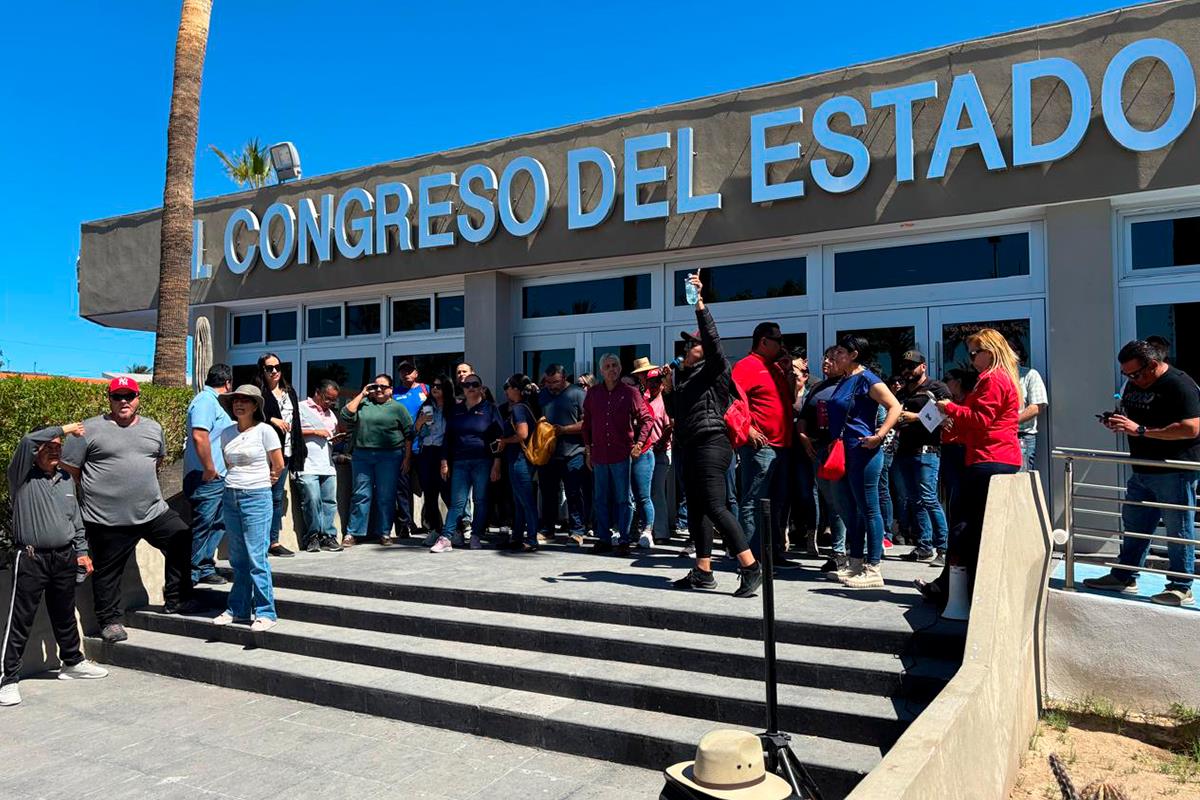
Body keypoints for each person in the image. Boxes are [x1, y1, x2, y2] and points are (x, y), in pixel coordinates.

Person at [61, 377, 198, 644]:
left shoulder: (152, 428)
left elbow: (156, 461)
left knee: (181, 537)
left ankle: (176, 598)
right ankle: (109, 621)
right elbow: (71, 470)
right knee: (108, 573)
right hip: (106, 518)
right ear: (109, 399)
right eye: (117, 396)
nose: (123, 401)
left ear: (137, 399)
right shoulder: (88, 430)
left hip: (152, 511)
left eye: (129, 396)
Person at [1083, 340, 1200, 607]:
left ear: (1154, 365)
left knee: (1177, 529)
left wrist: (1141, 430)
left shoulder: (1179, 385)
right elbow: (1134, 419)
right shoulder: (1134, 384)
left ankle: (1181, 586)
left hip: (1175, 469)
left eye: (1135, 374)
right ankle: (1124, 576)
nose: (1132, 379)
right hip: (1142, 468)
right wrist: (1117, 422)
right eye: (1127, 375)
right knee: (1135, 525)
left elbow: (1191, 428)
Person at [669, 271, 762, 598]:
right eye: (687, 342)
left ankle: (751, 567)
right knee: (696, 508)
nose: (688, 345)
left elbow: (712, 340)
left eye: (692, 342)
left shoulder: (715, 370)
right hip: (691, 446)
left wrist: (700, 305)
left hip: (712, 443)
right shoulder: (684, 378)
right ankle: (703, 571)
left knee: (715, 505)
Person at [2, 423, 109, 707]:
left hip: (64, 557)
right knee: (20, 619)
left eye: (58, 447)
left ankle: (72, 662)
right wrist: (64, 428)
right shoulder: (21, 476)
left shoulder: (64, 478)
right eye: (48, 446)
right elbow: (25, 438)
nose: (53, 451)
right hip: (31, 558)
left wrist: (82, 552)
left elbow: (75, 519)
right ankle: (7, 679)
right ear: (35, 451)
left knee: (64, 612)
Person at [918, 329, 1023, 604]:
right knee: (971, 526)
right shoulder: (1000, 378)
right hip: (992, 456)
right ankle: (956, 586)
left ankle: (959, 590)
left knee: (965, 526)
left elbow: (981, 420)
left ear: (991, 352)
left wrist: (949, 408)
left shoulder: (993, 379)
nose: (972, 358)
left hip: (989, 459)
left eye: (976, 352)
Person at [824, 336, 902, 589]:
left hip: (863, 450)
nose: (834, 355)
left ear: (854, 354)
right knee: (853, 509)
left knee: (869, 508)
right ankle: (856, 562)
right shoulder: (846, 379)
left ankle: (873, 567)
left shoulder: (868, 379)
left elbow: (894, 406)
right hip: (845, 451)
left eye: (840, 351)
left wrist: (879, 435)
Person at [213, 385, 284, 631]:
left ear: (255, 406)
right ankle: (238, 609)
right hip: (230, 495)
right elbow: (228, 463)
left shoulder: (265, 431)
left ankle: (266, 612)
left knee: (256, 557)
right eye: (235, 400)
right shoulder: (226, 433)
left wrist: (263, 482)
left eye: (245, 400)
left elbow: (278, 464)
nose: (239, 404)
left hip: (256, 496)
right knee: (238, 558)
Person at [732, 322, 800, 570]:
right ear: (763, 342)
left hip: (783, 445)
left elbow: (789, 400)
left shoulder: (775, 369)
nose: (782, 346)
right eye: (778, 341)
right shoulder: (746, 366)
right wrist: (746, 428)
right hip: (761, 446)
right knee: (753, 500)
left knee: (777, 502)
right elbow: (731, 400)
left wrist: (790, 376)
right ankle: (752, 558)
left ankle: (772, 553)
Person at [583, 354, 654, 556]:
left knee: (624, 499)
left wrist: (640, 443)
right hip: (599, 455)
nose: (611, 369)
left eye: (615, 365)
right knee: (601, 499)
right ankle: (604, 538)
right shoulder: (593, 394)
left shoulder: (630, 393)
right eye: (607, 366)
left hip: (622, 454)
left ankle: (624, 539)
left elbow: (647, 419)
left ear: (620, 368)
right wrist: (588, 450)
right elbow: (586, 424)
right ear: (601, 371)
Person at [892, 351, 952, 564]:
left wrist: (914, 417)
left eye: (912, 366)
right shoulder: (902, 392)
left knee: (928, 498)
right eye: (905, 366)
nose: (908, 370)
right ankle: (924, 545)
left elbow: (946, 415)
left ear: (923, 366)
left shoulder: (936, 388)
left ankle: (944, 548)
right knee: (914, 499)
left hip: (928, 449)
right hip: (905, 449)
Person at [340, 373, 413, 547]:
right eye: (375, 386)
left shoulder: (398, 408)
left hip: (390, 456)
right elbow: (346, 415)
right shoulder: (364, 404)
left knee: (385, 496)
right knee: (360, 494)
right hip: (362, 455)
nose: (379, 389)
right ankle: (353, 533)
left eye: (383, 387)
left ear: (391, 390)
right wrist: (362, 393)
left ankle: (384, 532)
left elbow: (409, 434)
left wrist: (407, 458)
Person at [432, 374, 503, 552]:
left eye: (474, 384)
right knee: (457, 502)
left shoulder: (490, 409)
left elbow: (499, 438)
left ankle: (476, 535)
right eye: (466, 385)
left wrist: (497, 463)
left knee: (480, 500)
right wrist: (444, 461)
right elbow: (448, 437)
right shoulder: (456, 410)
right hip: (460, 462)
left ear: (481, 387)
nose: (470, 387)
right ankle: (446, 537)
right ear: (462, 389)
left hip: (483, 461)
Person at [798, 347, 849, 573]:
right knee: (830, 500)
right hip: (817, 449)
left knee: (840, 501)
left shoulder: (851, 384)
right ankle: (839, 551)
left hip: (839, 449)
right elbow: (803, 417)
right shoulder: (818, 387)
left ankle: (841, 552)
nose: (827, 362)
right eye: (825, 358)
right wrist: (803, 437)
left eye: (832, 358)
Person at [184, 364, 232, 585]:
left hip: (217, 478)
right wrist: (210, 468)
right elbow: (199, 436)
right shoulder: (205, 401)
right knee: (203, 526)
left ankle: (204, 567)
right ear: (228, 383)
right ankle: (190, 577)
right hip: (206, 478)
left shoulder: (212, 402)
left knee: (217, 524)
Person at [256, 353, 302, 558]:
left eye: (277, 367)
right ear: (262, 371)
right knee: (263, 497)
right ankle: (261, 541)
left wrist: (299, 453)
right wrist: (272, 420)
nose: (274, 371)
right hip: (265, 452)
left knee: (275, 498)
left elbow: (297, 423)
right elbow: (248, 417)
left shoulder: (289, 392)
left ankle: (273, 541)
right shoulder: (259, 393)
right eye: (269, 368)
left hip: (287, 452)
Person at [538, 364, 590, 545]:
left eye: (555, 382)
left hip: (573, 452)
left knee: (574, 493)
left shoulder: (577, 394)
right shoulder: (542, 395)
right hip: (548, 453)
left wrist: (564, 430)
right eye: (548, 382)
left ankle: (577, 530)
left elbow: (587, 423)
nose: (551, 386)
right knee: (548, 493)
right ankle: (547, 529)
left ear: (564, 378)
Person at [295, 379, 345, 553]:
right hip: (307, 465)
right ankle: (312, 536)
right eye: (327, 398)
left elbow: (331, 435)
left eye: (333, 400)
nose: (330, 402)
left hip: (327, 465)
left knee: (329, 503)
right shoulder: (301, 408)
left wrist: (337, 438)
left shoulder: (331, 414)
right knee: (312, 500)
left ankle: (328, 537)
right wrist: (314, 431)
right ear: (317, 392)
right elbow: (290, 431)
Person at [499, 374, 542, 551]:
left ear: (516, 389)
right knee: (519, 501)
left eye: (508, 387)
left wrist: (505, 441)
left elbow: (523, 434)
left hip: (520, 460)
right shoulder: (528, 407)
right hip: (521, 460)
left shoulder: (518, 409)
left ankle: (531, 539)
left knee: (526, 501)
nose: (506, 391)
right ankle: (517, 536)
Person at [637, 364, 673, 545]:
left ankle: (662, 532)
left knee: (657, 492)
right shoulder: (645, 400)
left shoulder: (665, 401)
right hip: (646, 451)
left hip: (660, 451)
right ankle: (648, 529)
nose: (653, 385)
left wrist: (660, 443)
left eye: (657, 382)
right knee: (646, 493)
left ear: (662, 383)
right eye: (650, 382)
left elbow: (670, 425)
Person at [391, 361, 428, 539]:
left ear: (416, 373)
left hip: (423, 447)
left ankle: (429, 523)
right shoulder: (394, 393)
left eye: (409, 371)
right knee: (402, 488)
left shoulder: (425, 389)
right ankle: (405, 525)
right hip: (401, 447)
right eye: (402, 371)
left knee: (428, 485)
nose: (406, 374)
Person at [939, 368, 977, 537]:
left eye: (947, 380)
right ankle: (952, 535)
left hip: (965, 448)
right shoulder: (946, 401)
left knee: (966, 492)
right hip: (948, 448)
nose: (946, 384)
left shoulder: (970, 399)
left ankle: (965, 533)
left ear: (958, 381)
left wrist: (953, 412)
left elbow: (974, 420)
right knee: (952, 493)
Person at [415, 375, 453, 543]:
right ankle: (434, 529)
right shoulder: (426, 406)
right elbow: (416, 431)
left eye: (439, 385)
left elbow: (453, 434)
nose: (435, 388)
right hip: (427, 451)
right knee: (429, 494)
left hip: (445, 452)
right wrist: (421, 421)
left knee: (447, 492)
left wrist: (446, 459)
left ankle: (454, 530)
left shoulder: (453, 407)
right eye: (433, 386)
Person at [1014, 343, 1049, 473]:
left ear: (1018, 353)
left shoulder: (1029, 374)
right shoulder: (996, 377)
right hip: (1000, 438)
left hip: (1021, 437)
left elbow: (1037, 407)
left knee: (1021, 482)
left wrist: (1008, 423)